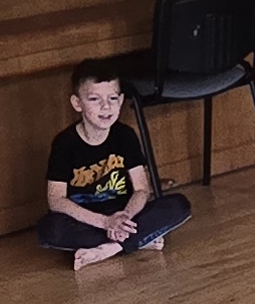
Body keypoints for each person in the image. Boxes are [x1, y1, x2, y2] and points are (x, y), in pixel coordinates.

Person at [38, 62, 191, 267]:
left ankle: (110, 248)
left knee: (179, 204)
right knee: (50, 229)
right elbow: (56, 200)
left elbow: (141, 190)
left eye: (112, 98)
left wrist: (124, 218)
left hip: (123, 212)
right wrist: (105, 222)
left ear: (120, 101)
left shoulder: (125, 135)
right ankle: (137, 240)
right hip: (87, 218)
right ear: (77, 103)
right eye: (95, 99)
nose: (106, 107)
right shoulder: (64, 143)